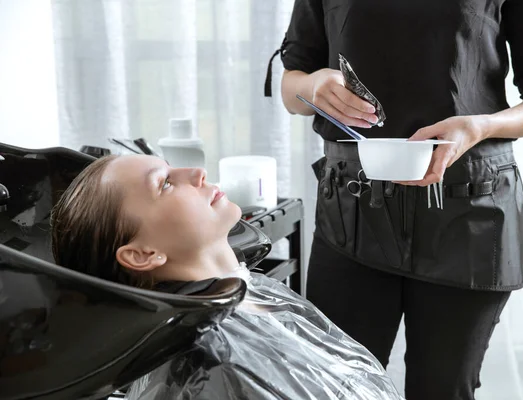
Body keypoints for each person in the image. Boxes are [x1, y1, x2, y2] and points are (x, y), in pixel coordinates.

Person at [268, 0, 523, 398]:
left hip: (470, 212)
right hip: (351, 215)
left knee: (443, 388)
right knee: (337, 387)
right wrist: (311, 87)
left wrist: (482, 126)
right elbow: (291, 87)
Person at [50, 154, 402, 400]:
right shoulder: (207, 369)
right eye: (166, 184)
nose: (196, 173)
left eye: (171, 167)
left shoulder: (252, 293)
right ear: (143, 254)